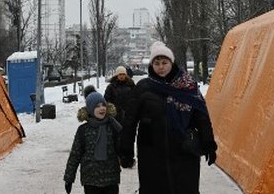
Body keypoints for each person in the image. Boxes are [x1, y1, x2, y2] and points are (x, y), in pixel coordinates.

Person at [118, 42, 217, 194]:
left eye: (164, 62)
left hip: (183, 151)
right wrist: (126, 151)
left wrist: (209, 143)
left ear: (172, 63)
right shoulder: (143, 87)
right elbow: (129, 121)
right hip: (152, 153)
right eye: (156, 63)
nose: (161, 67)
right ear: (151, 65)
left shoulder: (188, 87)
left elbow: (202, 117)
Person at [64, 91, 122, 194]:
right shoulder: (83, 130)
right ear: (90, 109)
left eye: (103, 105)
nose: (102, 108)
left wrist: (127, 157)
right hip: (90, 179)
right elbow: (75, 155)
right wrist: (69, 178)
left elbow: (122, 147)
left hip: (111, 178)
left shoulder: (113, 126)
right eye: (97, 106)